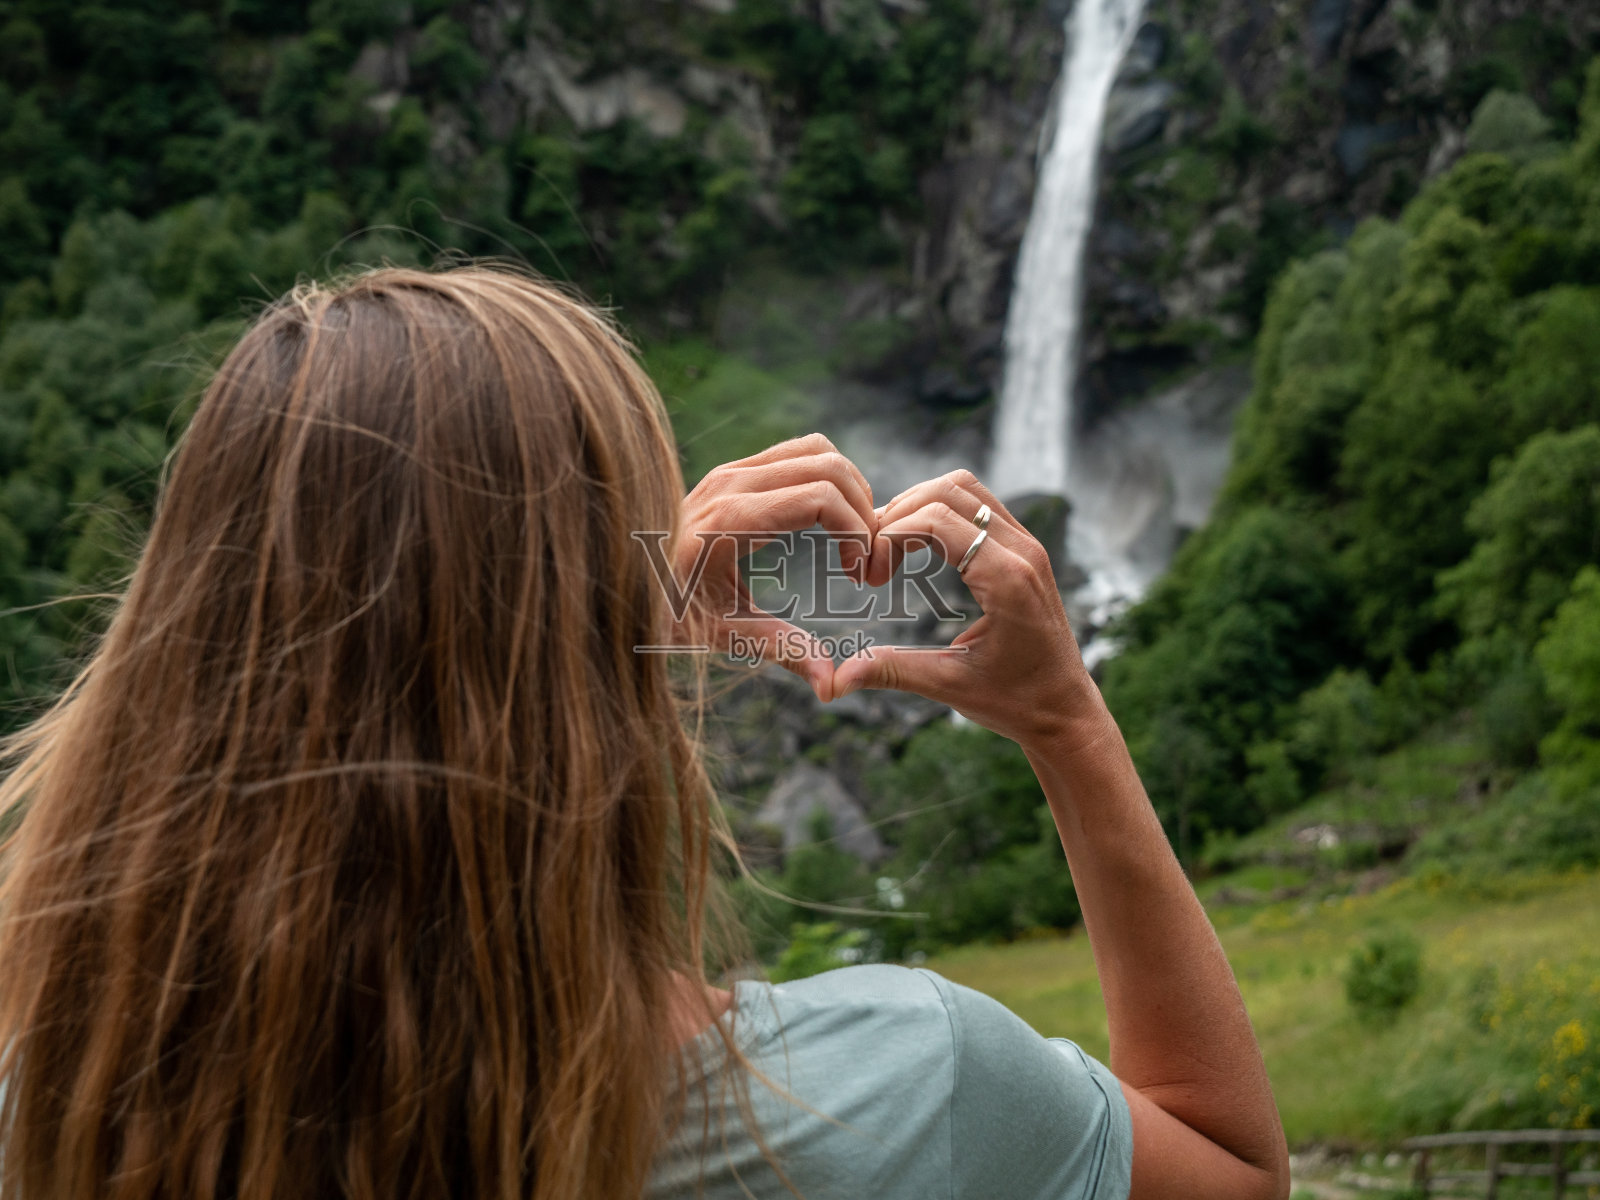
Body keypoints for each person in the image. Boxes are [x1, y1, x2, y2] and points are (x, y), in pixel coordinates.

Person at [0, 266, 1289, 1200]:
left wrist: (611, 615)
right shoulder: (893, 1095)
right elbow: (1233, 1167)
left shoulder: (53, 1096)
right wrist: (1065, 718)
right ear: (603, 681)